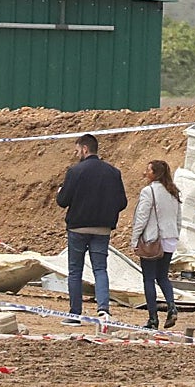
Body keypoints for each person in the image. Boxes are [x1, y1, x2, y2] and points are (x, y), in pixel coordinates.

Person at [56, 133, 128, 326]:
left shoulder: (75, 171)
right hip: (103, 229)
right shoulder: (114, 173)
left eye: (77, 149)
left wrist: (60, 193)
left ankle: (75, 315)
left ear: (85, 149)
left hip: (78, 227)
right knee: (100, 269)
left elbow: (63, 201)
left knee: (75, 271)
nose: (76, 153)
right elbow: (122, 202)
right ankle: (103, 311)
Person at [131, 159, 183, 330]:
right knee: (162, 276)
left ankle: (153, 318)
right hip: (170, 239)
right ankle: (171, 306)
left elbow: (142, 218)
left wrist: (135, 238)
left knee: (148, 278)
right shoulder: (173, 192)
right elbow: (178, 219)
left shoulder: (149, 191)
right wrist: (175, 235)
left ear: (155, 174)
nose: (145, 173)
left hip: (153, 240)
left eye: (148, 170)